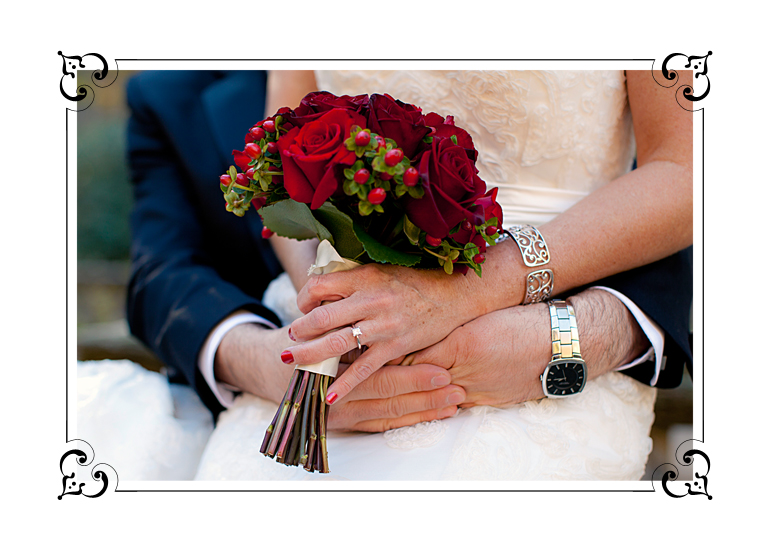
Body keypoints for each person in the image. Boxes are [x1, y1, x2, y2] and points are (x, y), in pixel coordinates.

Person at [126, 69, 692, 480]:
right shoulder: (166, 92)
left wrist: (486, 288)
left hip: (534, 355)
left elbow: (689, 169)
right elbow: (285, 152)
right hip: (329, 368)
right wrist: (327, 311)